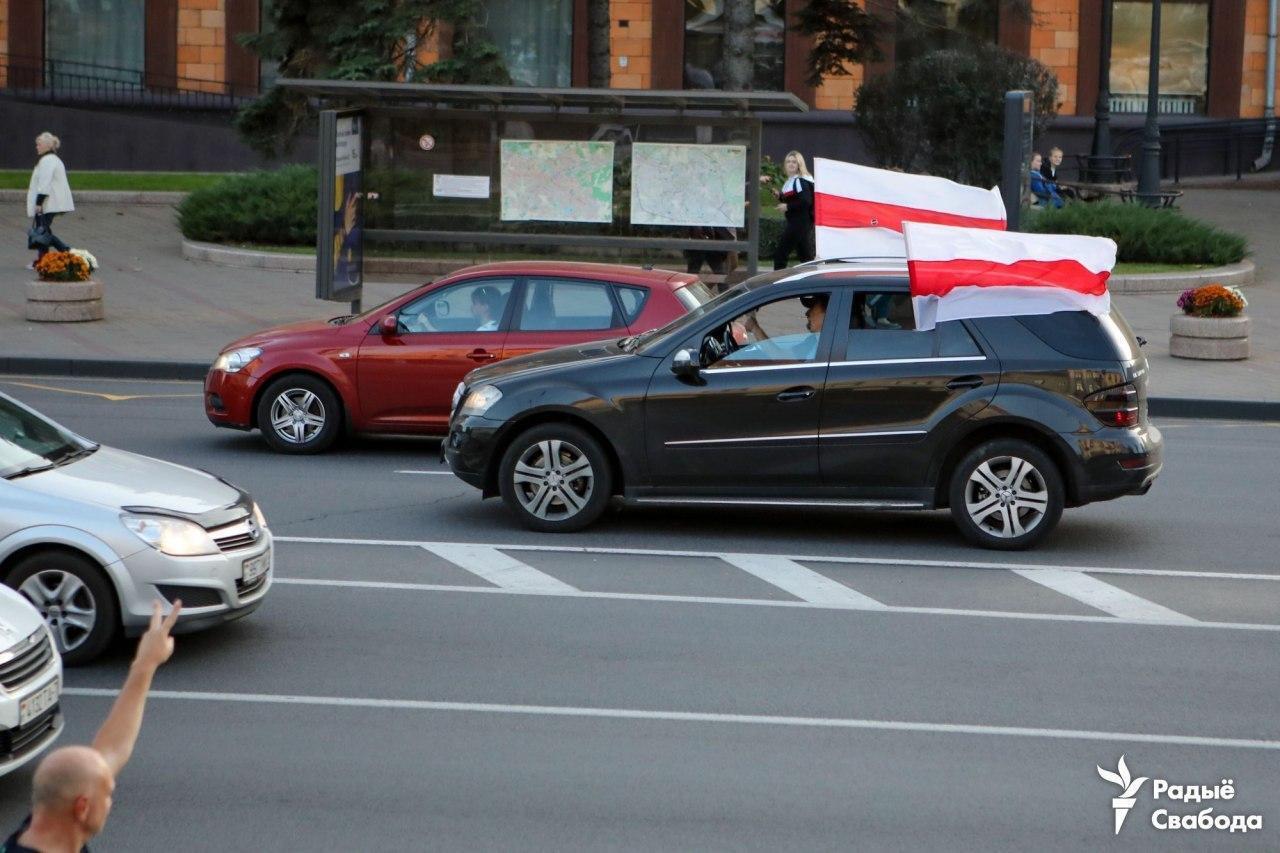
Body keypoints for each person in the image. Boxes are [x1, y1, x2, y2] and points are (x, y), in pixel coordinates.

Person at [3, 600, 182, 853]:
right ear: (82, 808)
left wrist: (145, 664)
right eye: (107, 795)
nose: (110, 803)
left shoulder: (45, 827)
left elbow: (111, 749)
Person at [26, 132, 74, 269]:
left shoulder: (47, 161)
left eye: (39, 144)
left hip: (48, 203)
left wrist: (39, 203)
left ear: (47, 146)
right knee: (43, 232)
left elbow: (44, 184)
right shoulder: (51, 159)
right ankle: (44, 260)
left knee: (43, 232)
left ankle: (66, 252)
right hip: (51, 202)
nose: (36, 147)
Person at [766, 151, 815, 270]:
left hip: (799, 222)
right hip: (800, 222)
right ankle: (814, 283)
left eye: (794, 162)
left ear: (799, 164)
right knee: (805, 257)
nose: (791, 164)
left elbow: (805, 201)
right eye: (788, 162)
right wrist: (780, 196)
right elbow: (795, 199)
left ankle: (778, 283)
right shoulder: (792, 180)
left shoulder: (800, 180)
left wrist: (787, 207)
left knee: (780, 254)